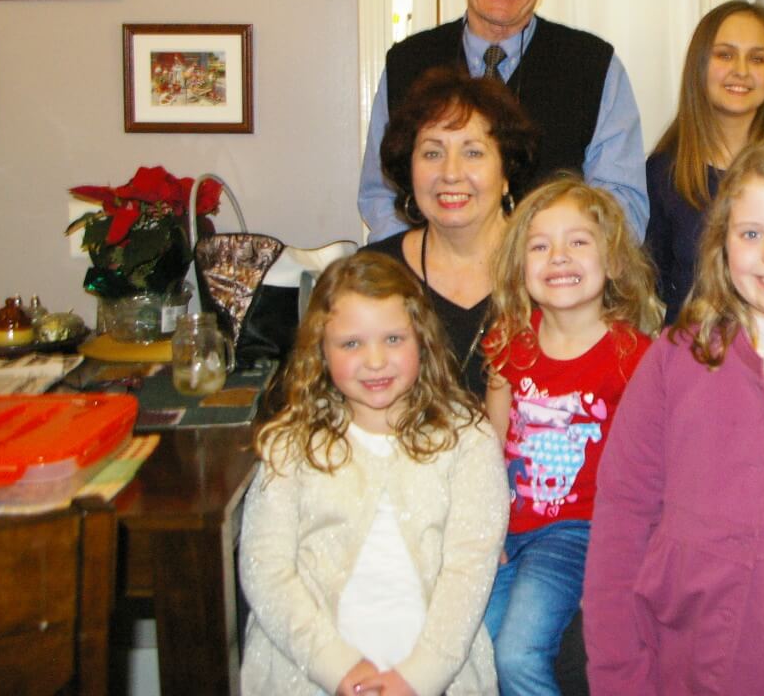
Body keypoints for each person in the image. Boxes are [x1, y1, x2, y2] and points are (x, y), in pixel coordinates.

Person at [582, 137, 764, 695]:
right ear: (721, 246)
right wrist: (620, 678)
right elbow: (621, 529)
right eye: (752, 234)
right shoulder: (674, 359)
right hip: (688, 662)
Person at [238, 251, 509, 696]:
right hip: (308, 674)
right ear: (320, 351)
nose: (376, 360)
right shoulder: (290, 444)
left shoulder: (467, 440)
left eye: (393, 339)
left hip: (436, 677)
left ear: (422, 339)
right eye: (351, 344)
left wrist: (418, 678)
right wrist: (339, 670)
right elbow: (265, 570)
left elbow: (469, 569)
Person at [359, 0, 648, 242]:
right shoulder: (406, 63)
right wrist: (425, 266)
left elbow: (621, 208)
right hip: (428, 286)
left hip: (549, 286)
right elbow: (381, 195)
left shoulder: (595, 67)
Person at [481, 176, 661, 696]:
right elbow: (489, 450)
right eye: (540, 246)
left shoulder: (634, 356)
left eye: (578, 241)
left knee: (517, 653)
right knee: (477, 645)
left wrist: (620, 563)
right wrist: (485, 528)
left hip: (577, 534)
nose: (558, 256)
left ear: (614, 262)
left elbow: (649, 474)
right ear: (521, 265)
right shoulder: (509, 344)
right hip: (508, 530)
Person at [362, 65, 538, 400]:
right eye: (432, 153)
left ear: (506, 173)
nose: (451, 173)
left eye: (472, 152)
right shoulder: (373, 274)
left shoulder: (550, 272)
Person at [645, 0, 764, 322]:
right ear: (700, 65)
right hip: (690, 358)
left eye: (757, 59)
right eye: (725, 55)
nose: (741, 70)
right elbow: (654, 284)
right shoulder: (662, 172)